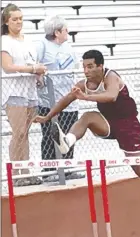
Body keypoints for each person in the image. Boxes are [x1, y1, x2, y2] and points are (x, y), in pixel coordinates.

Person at [33, 50, 140, 199]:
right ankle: (67, 141)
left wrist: (86, 97)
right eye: (84, 67)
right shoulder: (84, 84)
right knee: (87, 117)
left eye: (90, 67)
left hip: (128, 126)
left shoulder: (111, 77)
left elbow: (111, 96)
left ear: (100, 66)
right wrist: (47, 117)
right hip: (107, 122)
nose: (86, 71)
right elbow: (66, 99)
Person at [1, 3, 47, 186]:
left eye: (20, 18)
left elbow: (32, 62)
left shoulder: (27, 41)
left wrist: (37, 73)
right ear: (6, 21)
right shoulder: (4, 41)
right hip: (13, 91)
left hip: (29, 90)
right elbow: (7, 66)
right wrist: (32, 68)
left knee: (25, 133)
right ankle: (16, 174)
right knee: (18, 132)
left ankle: (25, 172)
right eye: (14, 19)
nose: (19, 22)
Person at [35, 15, 83, 180]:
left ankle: (68, 168)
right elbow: (34, 65)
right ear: (56, 32)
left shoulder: (68, 47)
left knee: (69, 134)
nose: (67, 32)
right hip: (49, 101)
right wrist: (39, 78)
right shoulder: (42, 45)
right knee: (50, 135)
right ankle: (49, 171)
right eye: (65, 30)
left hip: (68, 99)